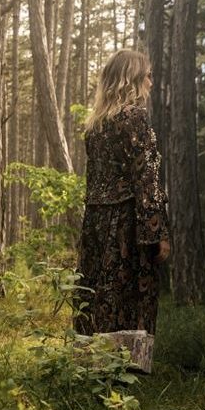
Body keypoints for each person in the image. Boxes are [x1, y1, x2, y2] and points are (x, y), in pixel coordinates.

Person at [74, 50, 171, 337]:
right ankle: (126, 368)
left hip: (96, 223)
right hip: (127, 224)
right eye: (148, 75)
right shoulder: (135, 117)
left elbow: (94, 181)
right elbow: (146, 179)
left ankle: (91, 363)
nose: (152, 83)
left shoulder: (96, 125)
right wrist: (157, 233)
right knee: (128, 294)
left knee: (97, 290)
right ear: (133, 78)